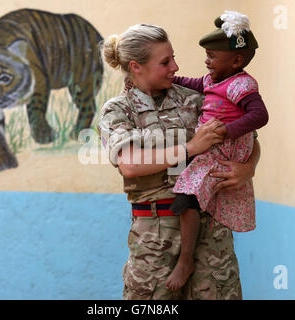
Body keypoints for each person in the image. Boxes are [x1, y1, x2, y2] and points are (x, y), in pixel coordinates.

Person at [98, 23, 261, 300]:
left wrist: (249, 168)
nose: (175, 66)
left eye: (173, 57)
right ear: (136, 67)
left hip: (210, 232)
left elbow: (250, 139)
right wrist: (190, 147)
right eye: (165, 61)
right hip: (153, 240)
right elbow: (130, 164)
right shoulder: (118, 110)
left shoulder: (199, 98)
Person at [165, 11, 269, 291]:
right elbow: (193, 83)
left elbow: (260, 116)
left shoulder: (241, 85)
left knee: (187, 196)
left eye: (212, 55)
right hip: (211, 148)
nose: (206, 61)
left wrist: (227, 131)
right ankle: (187, 256)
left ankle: (185, 259)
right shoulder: (213, 81)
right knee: (192, 198)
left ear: (236, 60)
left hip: (223, 149)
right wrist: (171, 80)